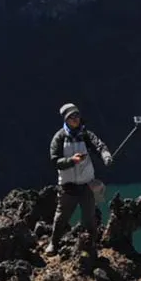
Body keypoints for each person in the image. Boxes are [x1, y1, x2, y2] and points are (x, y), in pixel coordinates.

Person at [47, 102, 113, 256]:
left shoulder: (86, 135)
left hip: (86, 184)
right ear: (66, 119)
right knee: (61, 217)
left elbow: (99, 146)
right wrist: (72, 161)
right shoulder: (59, 137)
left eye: (77, 115)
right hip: (68, 186)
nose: (76, 119)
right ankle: (53, 243)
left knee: (89, 218)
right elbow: (54, 161)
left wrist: (106, 156)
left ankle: (91, 247)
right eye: (72, 117)